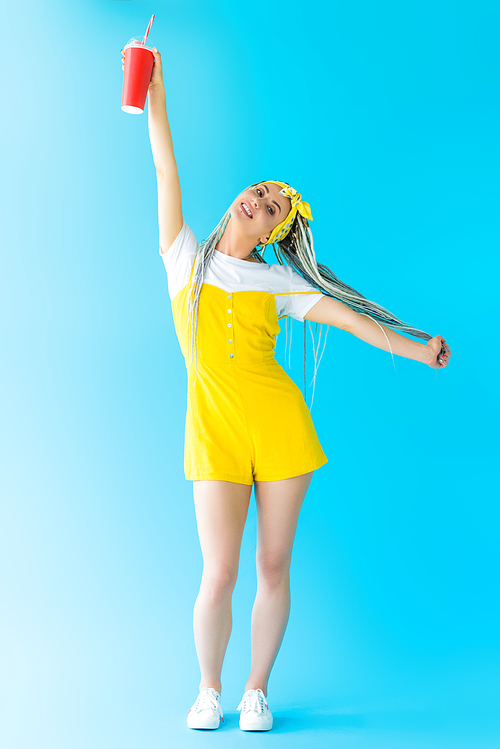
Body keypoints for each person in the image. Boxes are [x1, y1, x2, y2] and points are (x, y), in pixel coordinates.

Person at [120, 44, 451, 733]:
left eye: (272, 206)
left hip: (280, 426)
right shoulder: (186, 259)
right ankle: (208, 689)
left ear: (275, 232)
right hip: (214, 431)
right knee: (220, 573)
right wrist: (153, 90)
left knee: (273, 565)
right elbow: (164, 165)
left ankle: (256, 691)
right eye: (261, 191)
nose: (260, 199)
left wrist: (419, 350)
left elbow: (353, 320)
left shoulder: (280, 283)